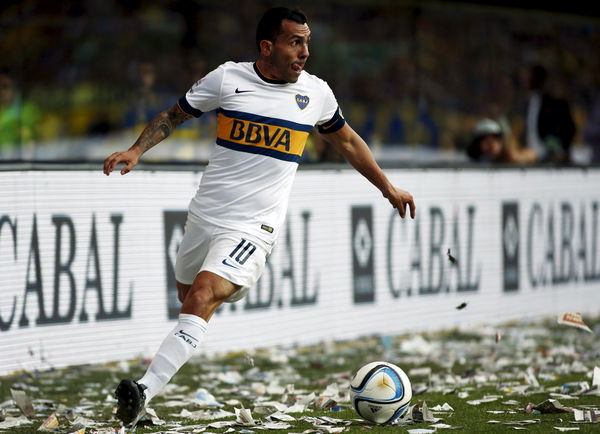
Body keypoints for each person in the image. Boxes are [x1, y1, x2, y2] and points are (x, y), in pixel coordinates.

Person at [103, 7, 416, 427]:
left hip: (254, 227)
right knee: (187, 298)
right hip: (205, 215)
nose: (305, 51)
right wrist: (137, 149)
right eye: (295, 42)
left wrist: (387, 187)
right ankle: (158, 378)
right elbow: (174, 115)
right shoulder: (227, 79)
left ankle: (143, 390)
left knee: (201, 296)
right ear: (267, 47)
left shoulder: (317, 94)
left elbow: (349, 142)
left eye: (307, 41)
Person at [524, 64, 575, 163]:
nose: (527, 81)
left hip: (550, 160)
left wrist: (558, 150)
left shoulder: (556, 103)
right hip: (530, 159)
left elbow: (568, 130)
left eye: (531, 77)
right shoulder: (527, 103)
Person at [466, 118, 537, 164]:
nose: (491, 144)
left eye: (495, 138)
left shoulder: (509, 156)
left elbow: (533, 155)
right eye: (485, 139)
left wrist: (517, 157)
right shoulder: (472, 162)